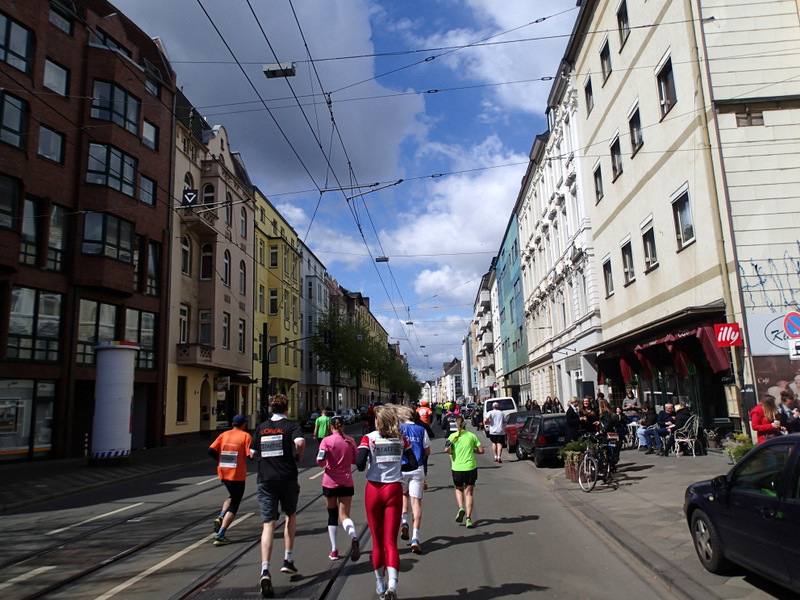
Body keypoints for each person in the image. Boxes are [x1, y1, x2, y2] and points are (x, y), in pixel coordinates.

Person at [357, 405, 418, 600]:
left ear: (378, 421)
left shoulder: (369, 438)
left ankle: (380, 585)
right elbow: (414, 463)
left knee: (377, 541)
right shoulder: (401, 439)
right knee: (391, 542)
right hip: (394, 489)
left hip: (374, 489)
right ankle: (392, 585)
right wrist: (398, 464)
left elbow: (359, 465)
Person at [250, 394, 306, 598]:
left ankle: (265, 570)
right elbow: (299, 443)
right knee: (290, 515)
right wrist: (298, 455)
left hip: (265, 478)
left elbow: (252, 452)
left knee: (268, 524)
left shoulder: (262, 427)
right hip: (287, 476)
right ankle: (287, 559)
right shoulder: (291, 426)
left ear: (271, 408)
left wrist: (261, 454)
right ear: (286, 408)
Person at [316, 415, 360, 562]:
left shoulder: (326, 441)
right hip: (347, 482)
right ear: (343, 426)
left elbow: (320, 462)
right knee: (345, 516)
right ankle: (353, 537)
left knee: (332, 515)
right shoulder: (350, 440)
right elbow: (356, 459)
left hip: (330, 482)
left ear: (330, 427)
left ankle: (334, 550)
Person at [208, 414, 252, 546]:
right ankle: (221, 534)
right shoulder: (245, 436)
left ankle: (221, 515)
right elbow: (250, 455)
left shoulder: (224, 435)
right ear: (243, 424)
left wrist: (221, 459)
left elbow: (210, 450)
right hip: (237, 475)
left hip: (223, 472)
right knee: (234, 505)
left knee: (232, 495)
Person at [397, 405, 430, 554]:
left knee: (403, 496)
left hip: (401, 468)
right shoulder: (421, 429)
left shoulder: (398, 429)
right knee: (416, 502)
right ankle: (415, 538)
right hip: (417, 467)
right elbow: (427, 450)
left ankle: (404, 522)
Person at [446, 414, 484, 529]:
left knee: (458, 489)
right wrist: (473, 450)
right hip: (470, 467)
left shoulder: (452, 437)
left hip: (457, 467)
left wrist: (452, 456)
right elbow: (481, 451)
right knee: (469, 493)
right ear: (465, 424)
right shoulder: (472, 436)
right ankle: (468, 518)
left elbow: (448, 451)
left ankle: (461, 507)